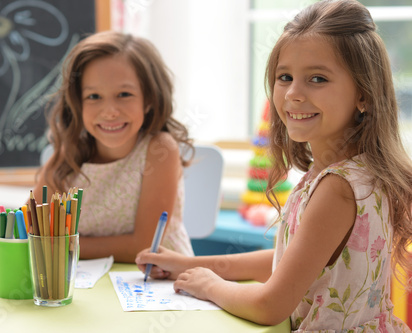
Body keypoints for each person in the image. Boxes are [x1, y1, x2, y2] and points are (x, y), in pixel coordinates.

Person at [135, 0, 412, 331]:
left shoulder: (337, 189)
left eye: (318, 78)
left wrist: (209, 285)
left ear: (364, 95)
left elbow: (270, 306)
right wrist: (188, 264)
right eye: (285, 77)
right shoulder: (357, 171)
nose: (293, 93)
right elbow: (294, 264)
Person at [32, 31, 195, 263]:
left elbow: (143, 246)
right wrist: (47, 242)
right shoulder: (69, 154)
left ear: (148, 99)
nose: (109, 111)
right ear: (78, 103)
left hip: (159, 283)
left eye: (124, 94)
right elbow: (32, 228)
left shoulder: (160, 150)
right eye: (94, 96)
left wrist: (59, 244)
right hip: (86, 283)